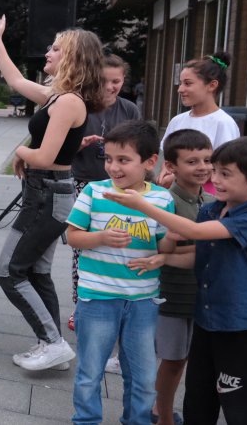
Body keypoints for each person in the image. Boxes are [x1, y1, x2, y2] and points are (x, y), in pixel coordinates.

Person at [105, 136, 247, 425]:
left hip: (243, 326)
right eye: (216, 171)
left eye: (225, 174)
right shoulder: (212, 210)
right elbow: (200, 253)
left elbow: (197, 233)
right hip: (207, 319)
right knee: (198, 397)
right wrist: (164, 258)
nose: (214, 179)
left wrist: (143, 205)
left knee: (239, 403)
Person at [0, 15, 106, 371]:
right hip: (47, 193)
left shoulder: (69, 102)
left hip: (47, 196)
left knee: (9, 272)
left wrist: (19, 152)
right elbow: (15, 79)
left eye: (56, 48)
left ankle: (53, 343)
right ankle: (52, 345)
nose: (48, 52)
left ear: (72, 58)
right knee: (38, 273)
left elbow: (43, 156)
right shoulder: (58, 96)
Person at [66, 119, 175, 425]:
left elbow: (163, 246)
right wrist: (100, 237)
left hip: (143, 301)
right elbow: (72, 237)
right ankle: (86, 420)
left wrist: (173, 239)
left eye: (123, 160)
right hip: (98, 297)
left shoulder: (161, 199)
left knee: (143, 376)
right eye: (109, 159)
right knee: (90, 371)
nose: (113, 167)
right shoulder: (94, 191)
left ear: (149, 162)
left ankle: (137, 420)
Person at [130, 129, 212, 425]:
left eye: (207, 160)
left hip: (199, 292)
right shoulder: (165, 201)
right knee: (173, 359)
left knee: (183, 358)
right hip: (172, 293)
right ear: (171, 166)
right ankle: (160, 415)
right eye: (192, 161)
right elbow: (155, 246)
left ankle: (159, 411)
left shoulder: (210, 200)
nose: (202, 167)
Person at [68, 53, 141, 329]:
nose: (110, 87)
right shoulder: (80, 106)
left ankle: (118, 302)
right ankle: (80, 304)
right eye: (104, 81)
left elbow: (139, 147)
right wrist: (80, 145)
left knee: (120, 244)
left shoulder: (129, 110)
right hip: (84, 183)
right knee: (84, 246)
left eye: (116, 81)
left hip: (120, 186)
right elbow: (60, 150)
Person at [158, 53, 239, 194]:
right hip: (173, 193)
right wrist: (165, 170)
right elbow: (166, 155)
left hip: (206, 197)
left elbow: (225, 167)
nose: (180, 89)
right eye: (181, 83)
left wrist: (177, 177)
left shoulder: (224, 123)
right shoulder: (177, 120)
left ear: (212, 85)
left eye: (188, 83)